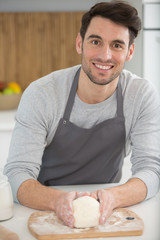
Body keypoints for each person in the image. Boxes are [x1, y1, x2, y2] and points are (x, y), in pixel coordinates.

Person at [4, 0, 160, 228]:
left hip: (105, 211)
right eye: (96, 41)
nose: (105, 56)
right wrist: (57, 201)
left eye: (117, 45)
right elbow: (17, 174)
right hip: (43, 208)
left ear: (130, 52)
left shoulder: (141, 95)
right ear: (80, 43)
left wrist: (113, 197)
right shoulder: (42, 94)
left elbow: (151, 170)